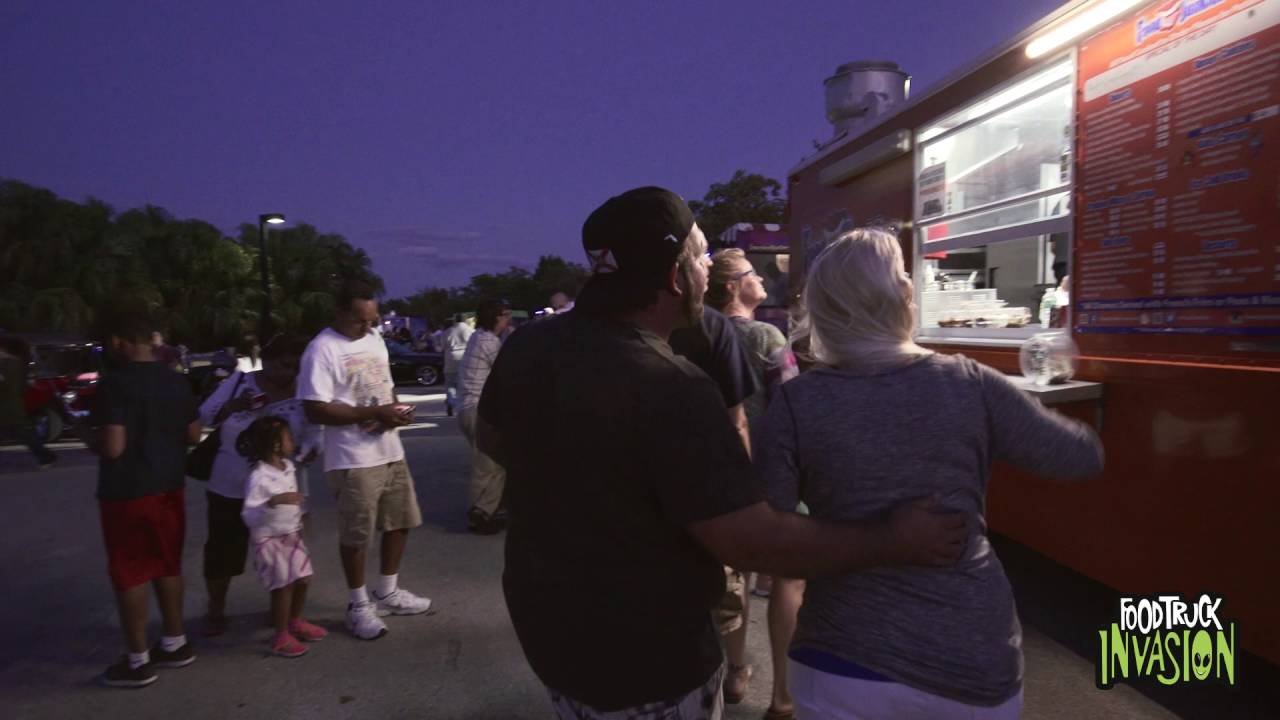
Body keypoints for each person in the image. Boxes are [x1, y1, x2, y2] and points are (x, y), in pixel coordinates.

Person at [477, 186, 967, 719]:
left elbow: (490, 436)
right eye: (702, 255)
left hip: (550, 629)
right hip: (646, 656)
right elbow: (752, 543)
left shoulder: (530, 344)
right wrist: (892, 538)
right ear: (675, 275)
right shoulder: (670, 386)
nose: (708, 270)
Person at [757, 228, 1104, 719]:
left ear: (826, 311)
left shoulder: (797, 403)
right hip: (969, 661)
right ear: (902, 298)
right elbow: (1079, 456)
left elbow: (764, 534)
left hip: (840, 660)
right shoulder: (969, 382)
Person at [299, 281, 432, 641]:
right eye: (361, 320)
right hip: (353, 457)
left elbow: (385, 385)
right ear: (340, 314)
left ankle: (387, 591)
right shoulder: (322, 349)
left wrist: (396, 410)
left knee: (400, 521)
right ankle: (358, 605)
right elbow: (314, 407)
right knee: (357, 534)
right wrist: (372, 413)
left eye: (373, 319)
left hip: (389, 449)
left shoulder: (373, 340)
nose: (369, 327)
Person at [704, 249, 801, 717]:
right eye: (752, 275)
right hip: (771, 476)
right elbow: (792, 404)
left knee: (732, 579)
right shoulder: (766, 336)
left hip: (719, 479)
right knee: (789, 579)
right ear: (731, 288)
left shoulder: (699, 336)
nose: (761, 280)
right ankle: (783, 698)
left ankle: (736, 669)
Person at [90, 311, 202, 688]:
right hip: (169, 486)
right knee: (168, 564)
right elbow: (193, 434)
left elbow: (113, 445)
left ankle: (137, 661)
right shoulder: (176, 381)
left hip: (127, 491)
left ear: (119, 341)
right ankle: (175, 642)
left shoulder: (113, 384)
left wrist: (87, 435)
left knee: (130, 571)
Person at [669, 277, 760, 704]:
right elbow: (736, 418)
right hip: (709, 478)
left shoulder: (584, 333)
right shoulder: (710, 325)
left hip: (646, 483)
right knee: (728, 583)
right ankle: (736, 668)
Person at [198, 335, 321, 637]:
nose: (289, 372)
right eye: (283, 365)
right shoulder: (241, 381)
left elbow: (315, 432)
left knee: (288, 555)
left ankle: (283, 613)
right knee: (223, 552)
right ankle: (216, 609)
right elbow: (204, 415)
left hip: (283, 490)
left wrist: (308, 450)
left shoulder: (304, 390)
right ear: (265, 362)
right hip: (230, 485)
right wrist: (236, 405)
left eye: (295, 366)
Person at [237, 416, 327, 657]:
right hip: (269, 539)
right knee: (282, 585)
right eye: (288, 438)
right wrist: (272, 501)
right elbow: (249, 513)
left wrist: (302, 515)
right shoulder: (259, 477)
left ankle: (295, 620)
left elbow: (294, 496)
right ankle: (281, 634)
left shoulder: (288, 468)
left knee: (303, 578)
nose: (292, 441)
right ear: (275, 445)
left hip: (291, 534)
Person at [456, 298, 512, 534]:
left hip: (466, 408)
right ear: (497, 317)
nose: (509, 318)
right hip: (479, 409)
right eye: (506, 314)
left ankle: (492, 508)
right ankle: (480, 513)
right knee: (489, 464)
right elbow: (506, 373)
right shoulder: (489, 342)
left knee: (493, 461)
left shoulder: (477, 337)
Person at [0, 337, 56, 469]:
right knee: (24, 433)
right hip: (11, 406)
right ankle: (46, 456)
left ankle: (46, 456)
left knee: (25, 434)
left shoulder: (10, 364)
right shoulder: (15, 363)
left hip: (9, 407)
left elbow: (10, 387)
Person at [441, 314, 473, 417]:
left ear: (455, 320)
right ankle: (464, 405)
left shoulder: (448, 331)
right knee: (465, 384)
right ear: (465, 320)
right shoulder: (470, 330)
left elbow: (442, 346)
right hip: (466, 358)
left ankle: (451, 401)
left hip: (451, 358)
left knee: (450, 383)